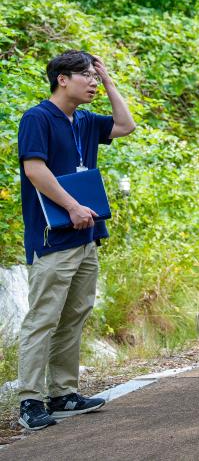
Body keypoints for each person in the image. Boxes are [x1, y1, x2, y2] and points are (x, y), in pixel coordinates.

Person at [17, 50, 136, 430]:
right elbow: (34, 169)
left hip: (86, 235)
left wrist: (110, 80)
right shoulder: (37, 118)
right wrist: (71, 206)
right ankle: (30, 400)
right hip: (53, 237)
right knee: (43, 319)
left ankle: (63, 393)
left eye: (95, 77)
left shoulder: (84, 120)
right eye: (86, 75)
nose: (93, 82)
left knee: (74, 316)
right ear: (62, 79)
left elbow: (125, 125)